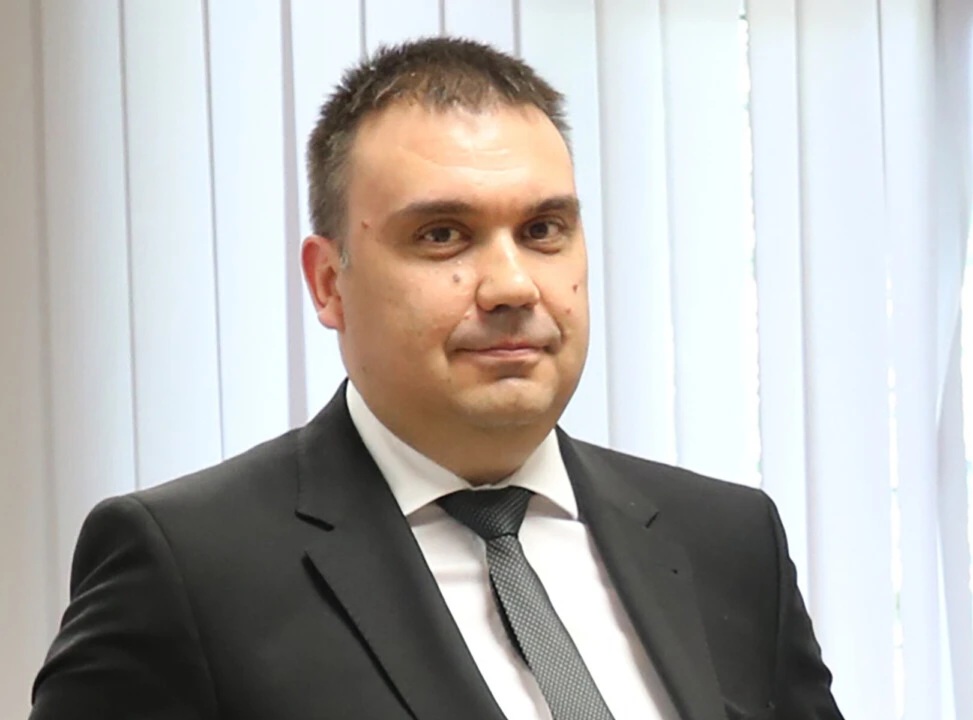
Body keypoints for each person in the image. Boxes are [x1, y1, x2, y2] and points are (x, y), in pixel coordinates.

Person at [29, 37, 844, 720]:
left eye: (543, 229)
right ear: (328, 283)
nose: (512, 286)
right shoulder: (189, 568)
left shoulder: (729, 541)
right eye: (443, 235)